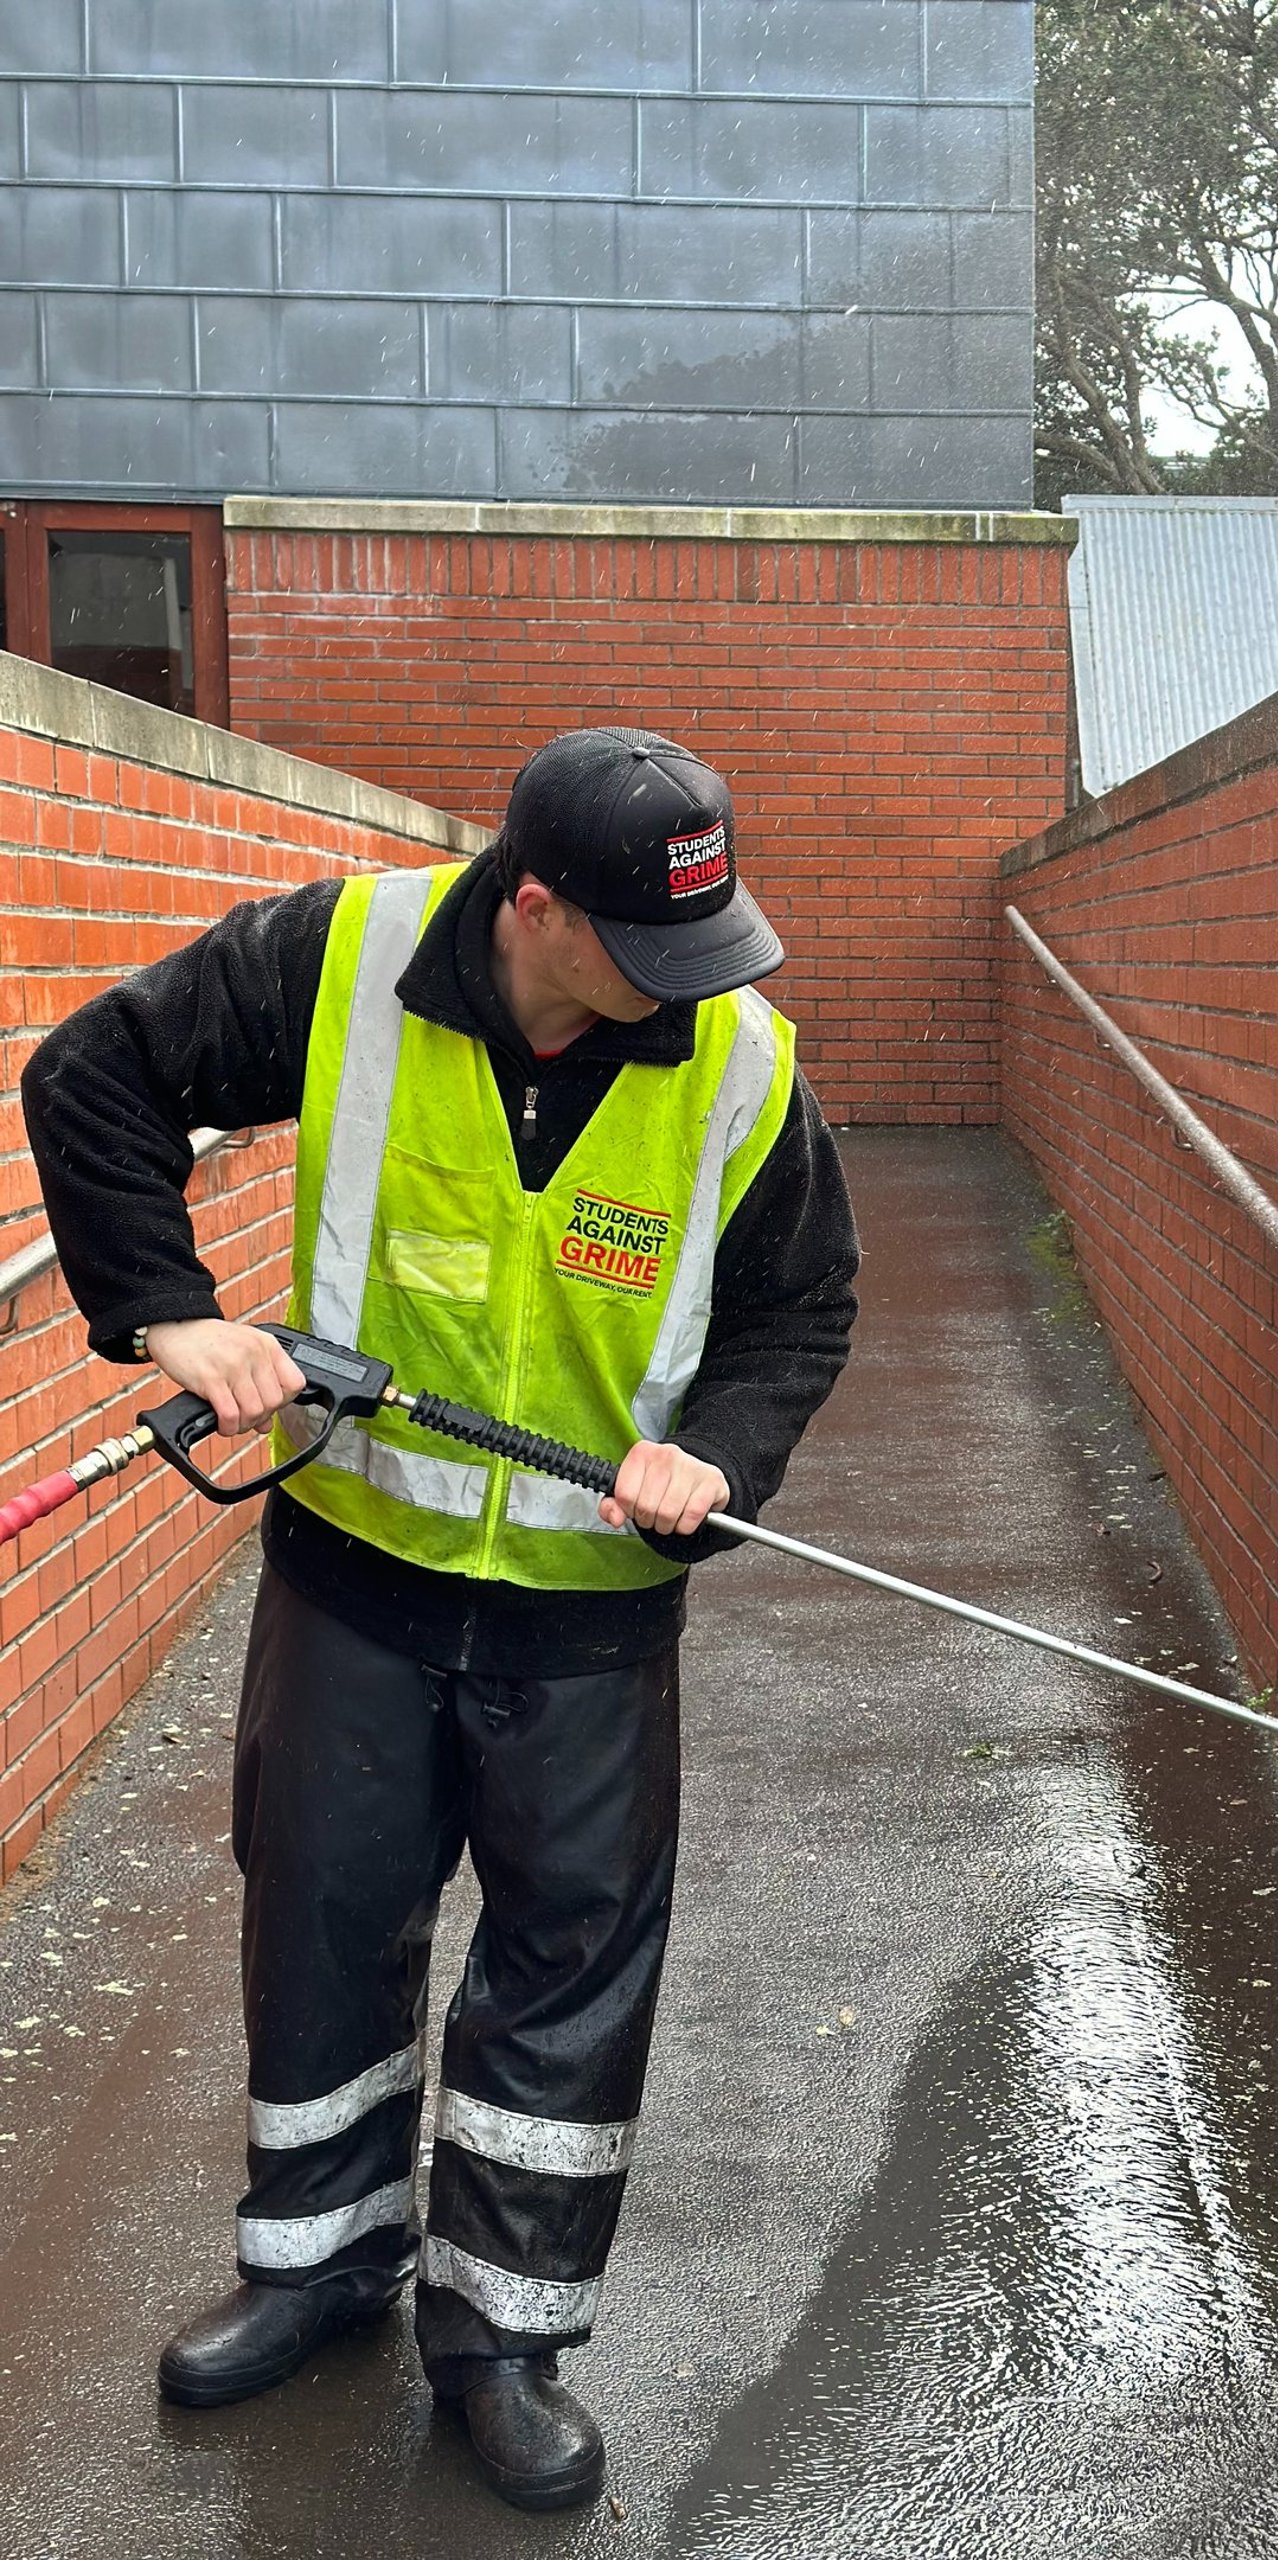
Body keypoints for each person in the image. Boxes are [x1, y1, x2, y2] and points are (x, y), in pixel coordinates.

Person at [21, 727, 858, 2512]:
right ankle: (316, 2266)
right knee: (322, 1917)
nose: (679, 991)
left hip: (590, 1622)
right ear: (533, 906)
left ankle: (506, 2335)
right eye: (643, 948)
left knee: (565, 1976)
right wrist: (167, 1317)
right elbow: (91, 1073)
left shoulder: (739, 1060)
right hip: (358, 1581)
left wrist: (713, 1457)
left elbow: (802, 1310)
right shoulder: (337, 960)